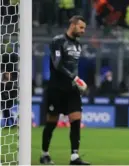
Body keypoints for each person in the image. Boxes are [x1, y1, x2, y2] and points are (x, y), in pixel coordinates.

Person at [40, 15, 90, 165]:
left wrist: (78, 83)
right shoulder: (58, 41)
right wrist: (75, 79)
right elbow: (57, 64)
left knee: (76, 119)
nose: (83, 31)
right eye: (81, 27)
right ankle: (44, 154)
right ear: (73, 25)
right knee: (52, 122)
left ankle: (74, 156)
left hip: (72, 90)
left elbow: (73, 67)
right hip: (56, 88)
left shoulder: (78, 45)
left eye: (84, 28)